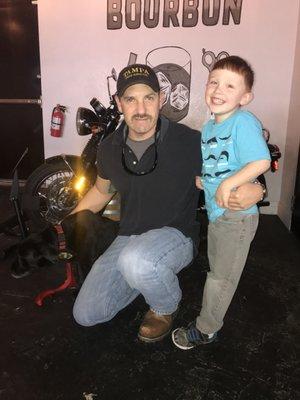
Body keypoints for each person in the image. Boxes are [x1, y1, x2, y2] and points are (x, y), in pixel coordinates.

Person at [71, 63, 265, 343]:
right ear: (119, 103)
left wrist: (255, 189)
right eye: (130, 99)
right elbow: (100, 192)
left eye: (148, 97)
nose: (140, 108)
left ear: (161, 99)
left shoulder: (190, 142)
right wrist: (59, 229)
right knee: (87, 313)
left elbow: (233, 167)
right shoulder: (109, 148)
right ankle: (144, 275)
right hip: (128, 238)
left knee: (137, 261)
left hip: (176, 235)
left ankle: (164, 306)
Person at [172, 56, 271, 350]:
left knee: (220, 278)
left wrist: (227, 184)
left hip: (237, 217)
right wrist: (208, 180)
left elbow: (261, 161)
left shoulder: (243, 121)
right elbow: (224, 163)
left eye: (230, 85)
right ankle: (210, 318)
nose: (218, 89)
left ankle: (206, 329)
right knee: (217, 271)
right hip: (219, 214)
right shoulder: (209, 127)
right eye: (213, 82)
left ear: (245, 97)